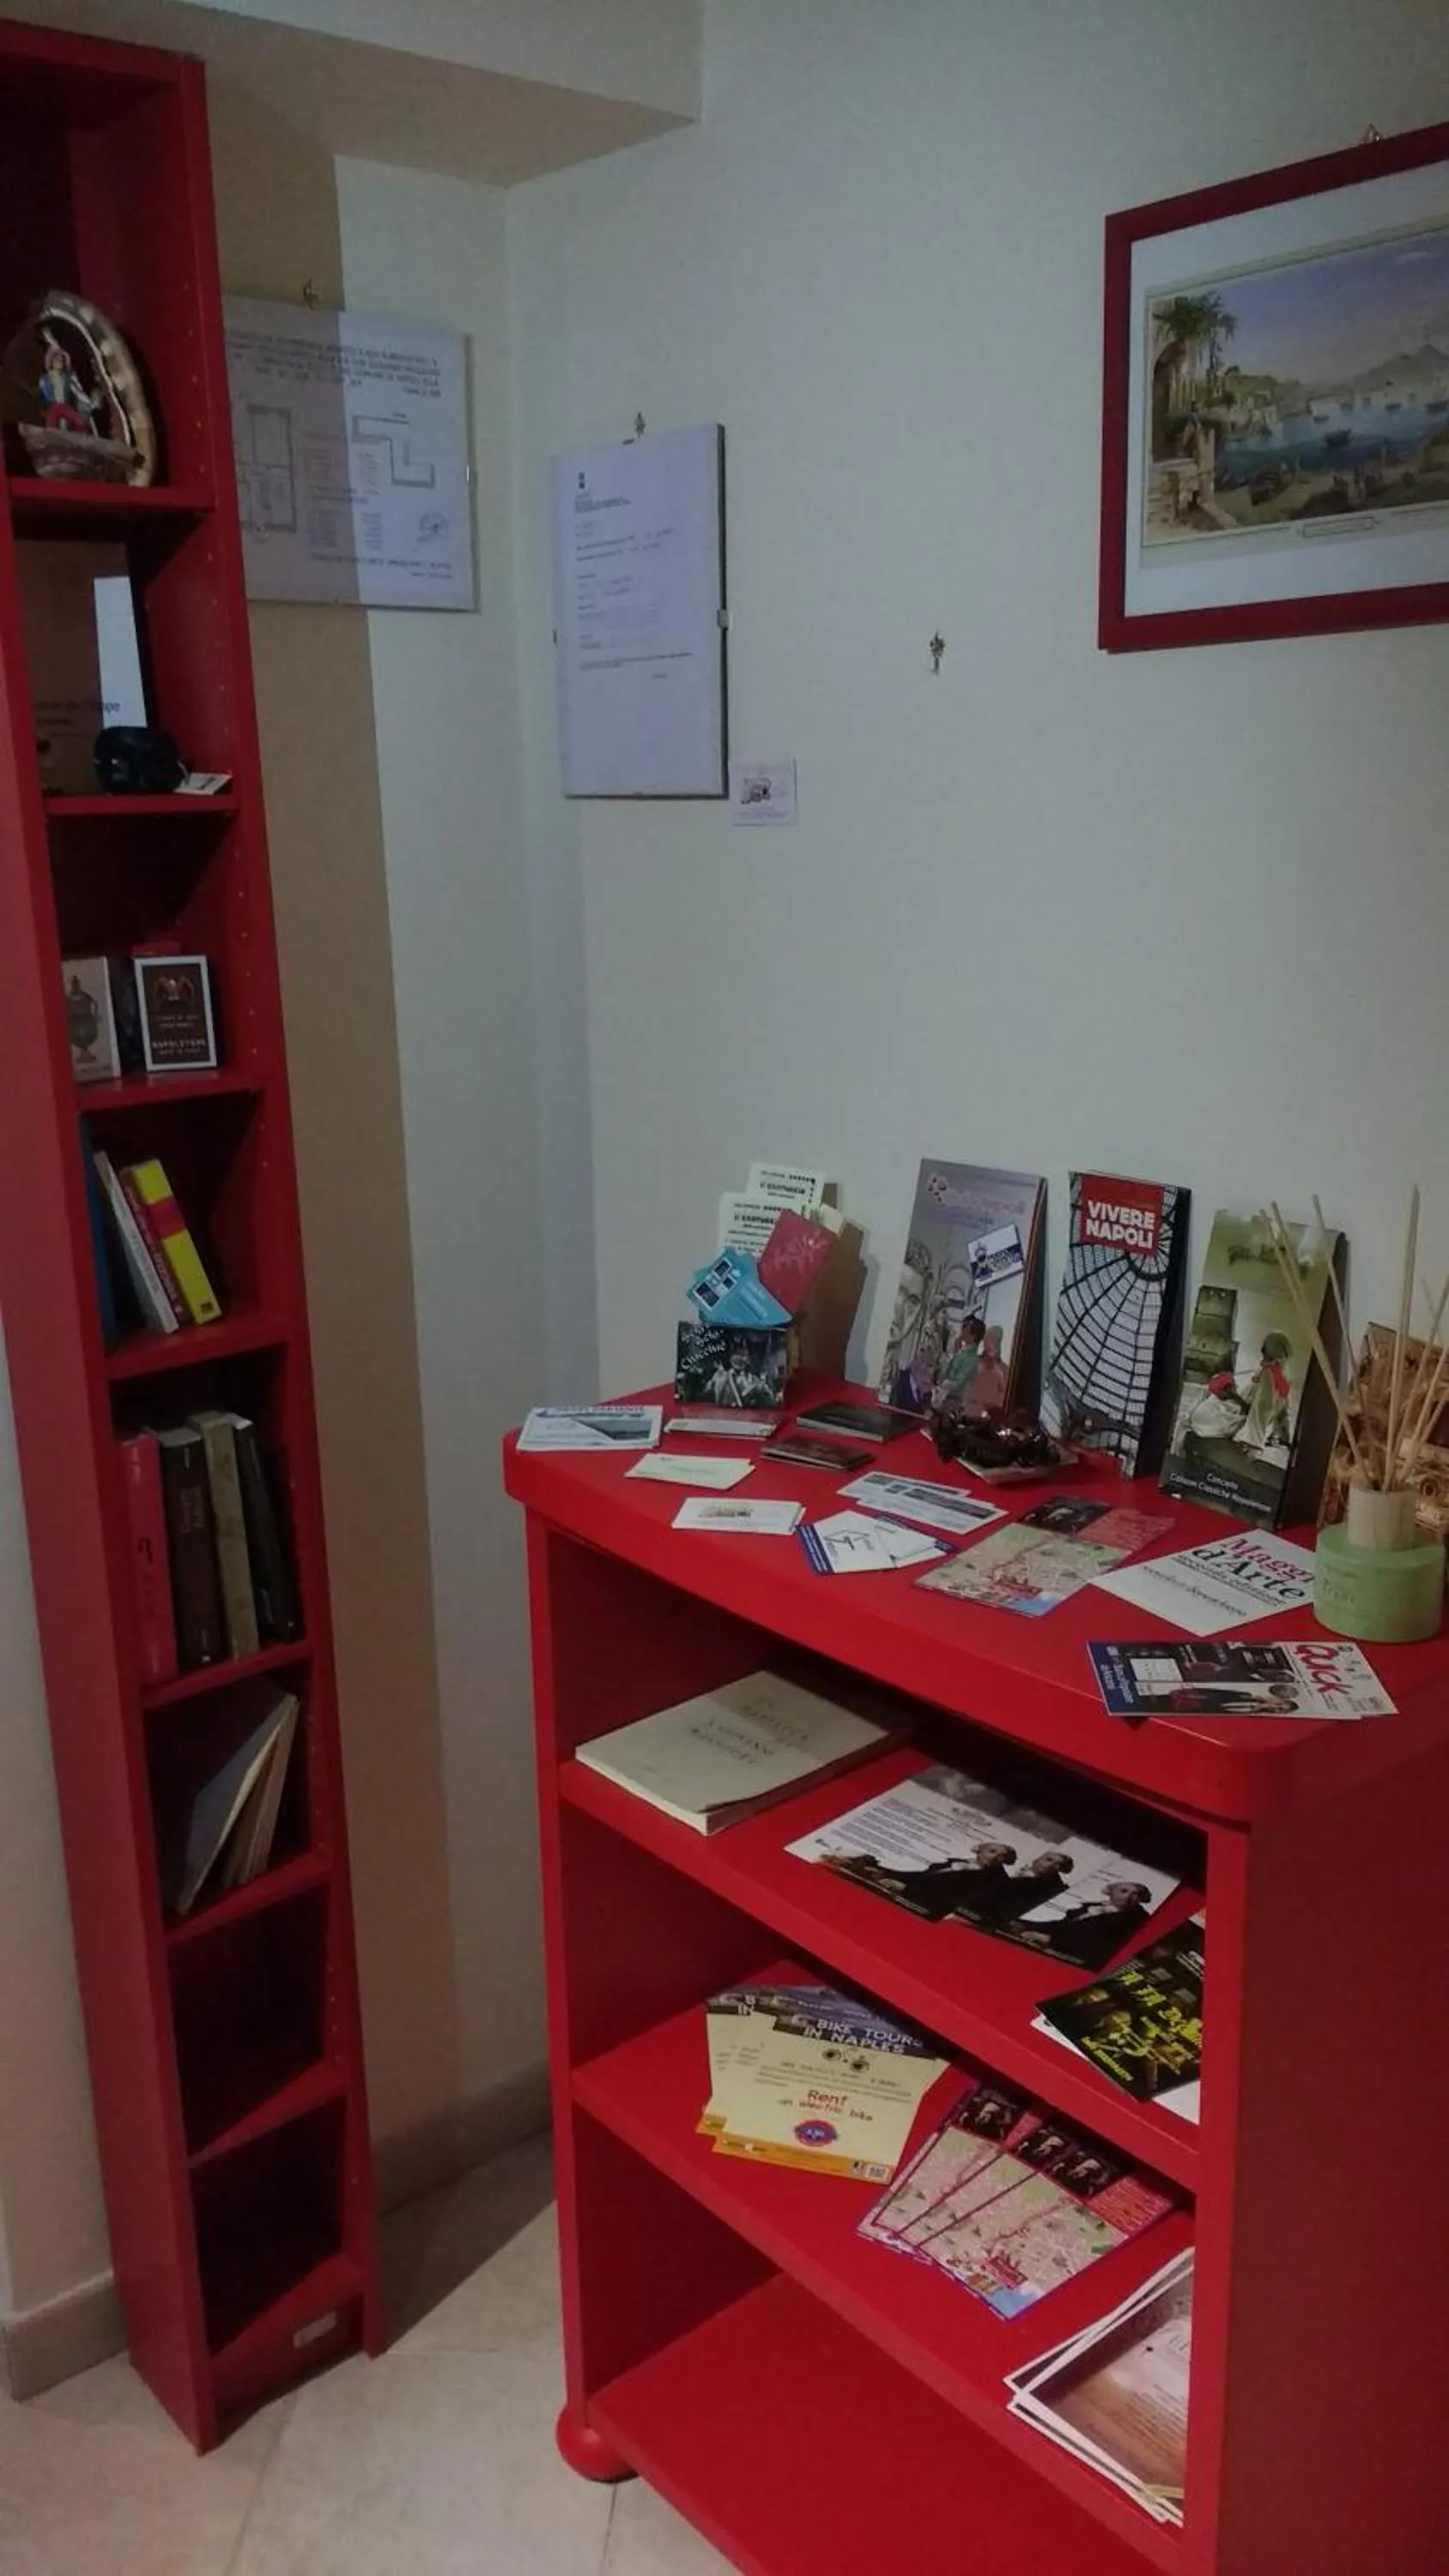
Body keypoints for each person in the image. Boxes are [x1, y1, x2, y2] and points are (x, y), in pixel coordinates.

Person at [1029, 1880, 1155, 1971]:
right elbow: (1063, 1926)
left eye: (1136, 1894)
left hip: (1078, 1966)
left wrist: (1050, 1940)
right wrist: (1025, 1924)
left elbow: (1099, 1948)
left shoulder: (1135, 1921)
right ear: (1110, 1892)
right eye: (1123, 1891)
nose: (1128, 1896)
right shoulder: (1092, 1907)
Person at [1237, 1331, 1292, 1452]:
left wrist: (1252, 1439)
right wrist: (1285, 1438)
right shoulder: (1285, 1373)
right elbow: (1283, 1411)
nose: (1262, 1351)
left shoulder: (1270, 1373)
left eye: (1265, 1348)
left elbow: (1262, 1405)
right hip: (1263, 1422)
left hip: (1252, 1425)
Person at [993, 1850, 1074, 1922]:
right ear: (1037, 1859)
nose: (1051, 1865)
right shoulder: (1024, 1876)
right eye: (1049, 1860)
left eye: (1058, 1864)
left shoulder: (1052, 1886)